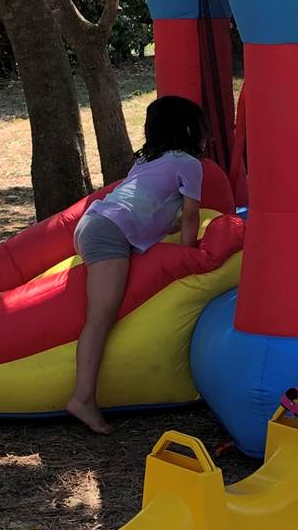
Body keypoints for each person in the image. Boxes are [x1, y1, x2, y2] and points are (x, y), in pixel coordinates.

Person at [66, 95, 207, 434]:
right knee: (100, 317)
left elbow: (153, 207)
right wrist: (190, 254)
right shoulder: (189, 164)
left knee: (100, 313)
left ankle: (83, 397)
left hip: (94, 223)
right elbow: (191, 216)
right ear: (190, 130)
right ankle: (82, 398)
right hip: (108, 232)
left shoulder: (146, 160)